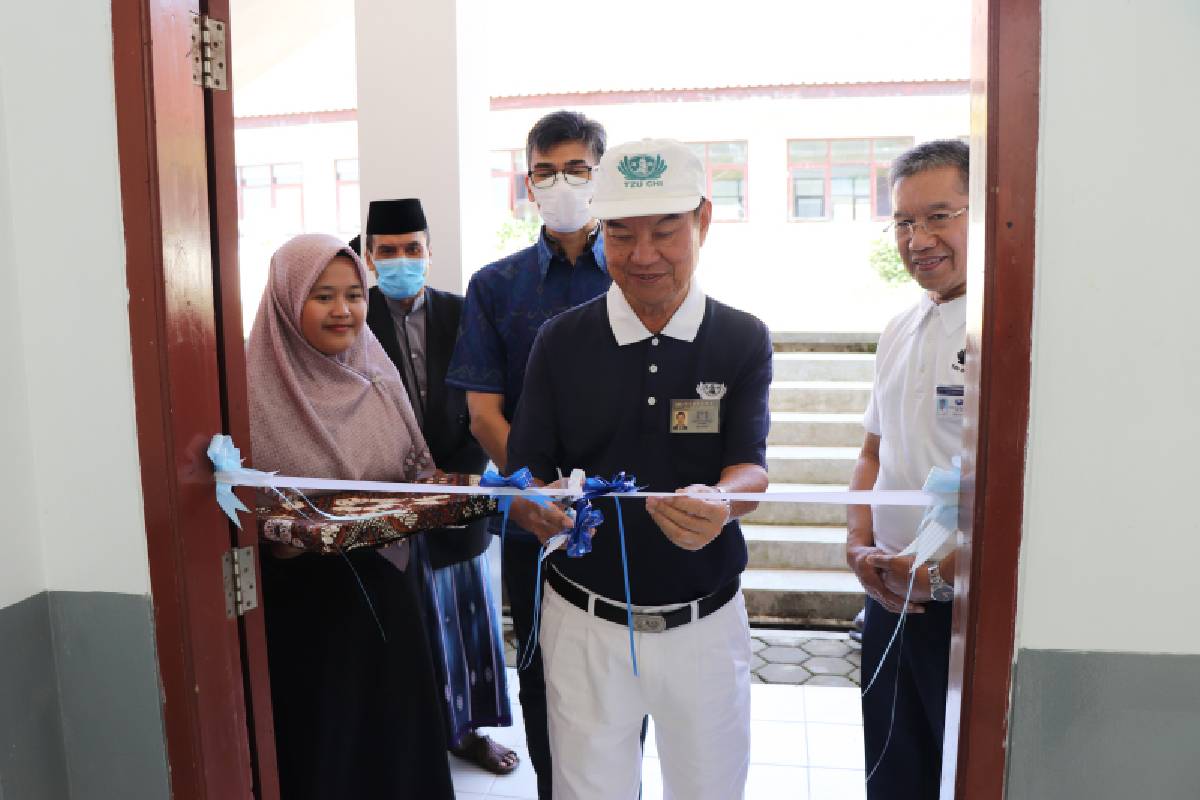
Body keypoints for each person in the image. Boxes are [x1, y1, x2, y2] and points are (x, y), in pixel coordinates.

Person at [506, 138, 772, 800]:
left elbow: (752, 470)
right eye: (621, 234)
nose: (643, 255)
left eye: (665, 231)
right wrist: (535, 505)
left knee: (710, 788)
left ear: (703, 222)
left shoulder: (741, 338)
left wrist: (723, 499)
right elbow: (524, 475)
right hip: (584, 621)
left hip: (704, 626)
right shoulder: (562, 340)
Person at [247, 233, 456, 798]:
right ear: (288, 301)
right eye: (322, 296)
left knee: (401, 740)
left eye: (354, 295)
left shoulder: (378, 376)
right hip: (311, 609)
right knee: (331, 746)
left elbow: (414, 468)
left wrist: (434, 489)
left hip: (392, 586)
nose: (344, 311)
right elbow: (247, 510)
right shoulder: (255, 391)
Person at [447, 109, 610, 799]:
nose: (561, 183)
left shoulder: (639, 272)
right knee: (540, 668)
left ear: (602, 176)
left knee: (616, 671)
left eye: (577, 169)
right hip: (528, 517)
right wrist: (536, 491)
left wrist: (592, 499)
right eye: (545, 172)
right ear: (527, 182)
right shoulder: (497, 286)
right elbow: (482, 412)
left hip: (619, 515)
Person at [357, 198, 518, 774]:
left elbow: (487, 396)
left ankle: (467, 733)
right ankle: (410, 734)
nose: (401, 260)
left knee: (464, 618)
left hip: (458, 489)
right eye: (388, 251)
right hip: (384, 492)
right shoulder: (356, 316)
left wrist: (461, 469)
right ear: (370, 259)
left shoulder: (463, 311)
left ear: (429, 251)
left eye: (412, 249)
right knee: (400, 622)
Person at [845, 139, 970, 799]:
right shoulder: (900, 326)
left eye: (939, 216)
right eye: (903, 222)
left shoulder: (1003, 331)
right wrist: (858, 545)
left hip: (963, 609)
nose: (918, 238)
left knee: (957, 771)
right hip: (889, 595)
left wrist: (942, 574)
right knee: (892, 770)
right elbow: (873, 451)